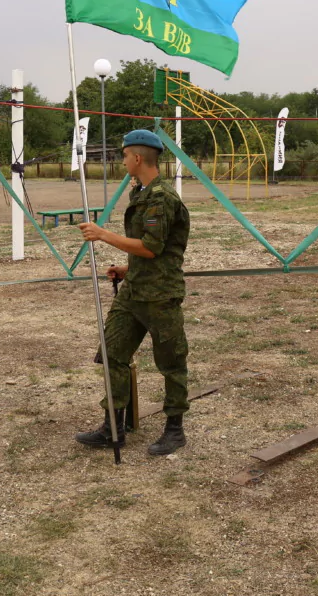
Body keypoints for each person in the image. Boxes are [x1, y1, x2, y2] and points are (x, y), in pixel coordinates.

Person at [75, 128, 191, 456]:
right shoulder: (140, 193)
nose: (122, 160)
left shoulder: (161, 198)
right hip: (135, 289)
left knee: (171, 362)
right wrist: (128, 268)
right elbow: (149, 250)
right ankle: (114, 425)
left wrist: (102, 235)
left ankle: (174, 430)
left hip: (160, 294)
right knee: (112, 352)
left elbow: (153, 248)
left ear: (137, 158)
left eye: (124, 155)